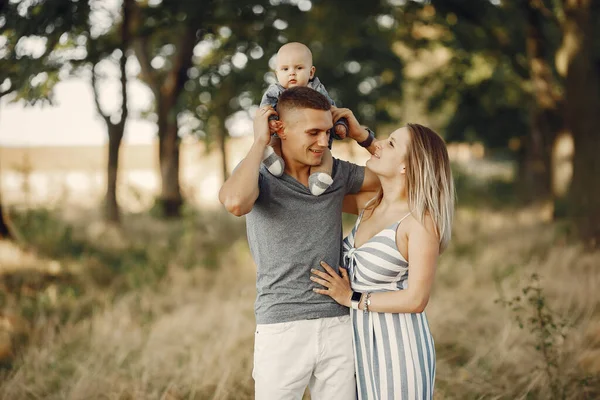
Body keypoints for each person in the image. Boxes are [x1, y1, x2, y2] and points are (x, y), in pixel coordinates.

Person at [219, 86, 379, 399]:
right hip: (282, 326)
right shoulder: (259, 173)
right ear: (280, 129)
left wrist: (363, 136)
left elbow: (402, 176)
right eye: (313, 132)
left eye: (328, 133)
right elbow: (237, 203)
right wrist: (259, 142)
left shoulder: (336, 173)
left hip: (338, 322)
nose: (323, 142)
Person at [310, 123, 455, 399]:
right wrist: (348, 132)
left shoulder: (420, 222)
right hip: (358, 347)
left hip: (400, 351)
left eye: (390, 144)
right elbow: (317, 190)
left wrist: (351, 298)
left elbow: (416, 300)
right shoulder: (370, 204)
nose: (379, 146)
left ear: (406, 167)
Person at [260, 41, 349, 196]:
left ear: (311, 72)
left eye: (299, 68)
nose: (292, 73)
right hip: (280, 134)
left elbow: (332, 110)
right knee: (274, 142)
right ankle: (273, 160)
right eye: (285, 69)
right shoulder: (275, 91)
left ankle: (320, 176)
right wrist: (270, 122)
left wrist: (340, 124)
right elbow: (265, 108)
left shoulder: (316, 89)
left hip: (317, 141)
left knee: (325, 152)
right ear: (277, 74)